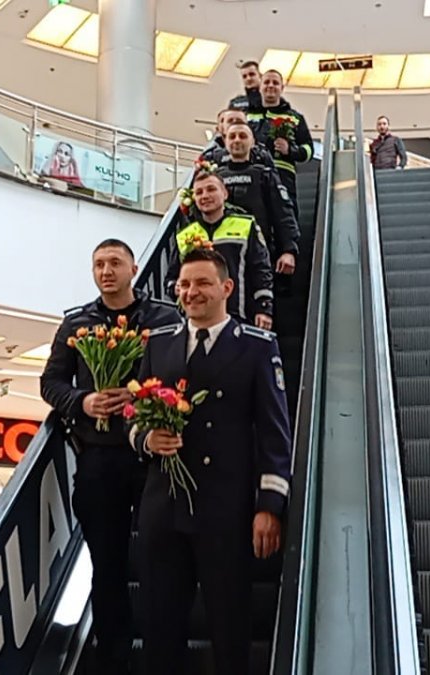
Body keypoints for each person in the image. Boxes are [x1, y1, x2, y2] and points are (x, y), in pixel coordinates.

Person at [130, 248, 293, 675]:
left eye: (202, 283)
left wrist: (269, 506)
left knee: (229, 628)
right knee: (160, 628)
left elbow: (275, 433)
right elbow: (133, 416)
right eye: (184, 284)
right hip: (163, 509)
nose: (191, 292)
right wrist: (148, 439)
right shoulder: (159, 342)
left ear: (227, 287)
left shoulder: (257, 346)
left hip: (225, 511)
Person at [40, 239, 180, 675]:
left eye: (115, 263)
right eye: (99, 264)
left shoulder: (165, 319)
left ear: (134, 269)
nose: (106, 271)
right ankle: (113, 659)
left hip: (153, 460)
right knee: (107, 565)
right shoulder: (76, 323)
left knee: (162, 561)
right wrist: (83, 402)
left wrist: (141, 397)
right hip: (99, 460)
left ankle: (162, 656)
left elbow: (183, 376)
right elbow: (51, 383)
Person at [166, 170, 274, 329]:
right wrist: (175, 287)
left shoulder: (245, 225)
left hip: (237, 317)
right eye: (199, 192)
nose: (205, 196)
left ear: (225, 193)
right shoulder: (185, 234)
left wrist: (264, 308)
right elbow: (170, 278)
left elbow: (261, 269)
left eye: (211, 189)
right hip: (195, 321)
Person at [216, 123, 299, 275]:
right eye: (232, 136)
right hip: (221, 255)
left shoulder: (265, 175)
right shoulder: (215, 178)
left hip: (259, 255)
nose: (237, 140)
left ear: (253, 142)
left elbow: (283, 214)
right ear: (225, 142)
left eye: (243, 136)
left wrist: (289, 251)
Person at [248, 70, 314, 218]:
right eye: (266, 82)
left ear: (282, 88)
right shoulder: (247, 115)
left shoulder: (295, 118)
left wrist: (290, 150)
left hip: (283, 177)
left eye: (275, 83)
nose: (271, 85)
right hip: (253, 174)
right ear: (260, 87)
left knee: (285, 217)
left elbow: (309, 149)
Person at [200, 108, 275, 171]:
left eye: (239, 120)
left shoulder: (261, 154)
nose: (234, 123)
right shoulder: (210, 155)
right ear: (222, 127)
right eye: (230, 120)